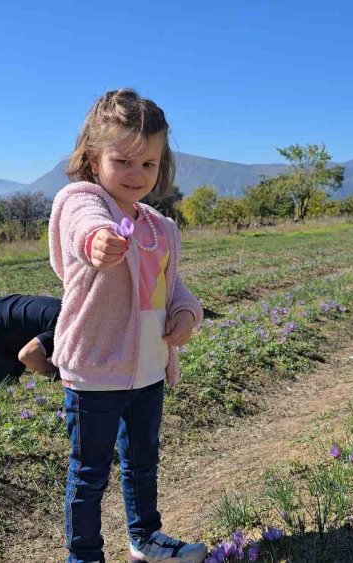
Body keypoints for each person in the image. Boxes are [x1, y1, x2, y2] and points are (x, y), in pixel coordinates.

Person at [50, 89, 206, 563]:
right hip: (98, 368)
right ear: (94, 159)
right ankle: (85, 556)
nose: (137, 175)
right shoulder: (82, 201)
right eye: (123, 161)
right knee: (89, 472)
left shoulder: (160, 227)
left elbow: (173, 286)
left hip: (149, 369)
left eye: (150, 165)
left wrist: (186, 313)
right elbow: (81, 225)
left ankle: (146, 538)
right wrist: (96, 241)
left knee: (142, 463)